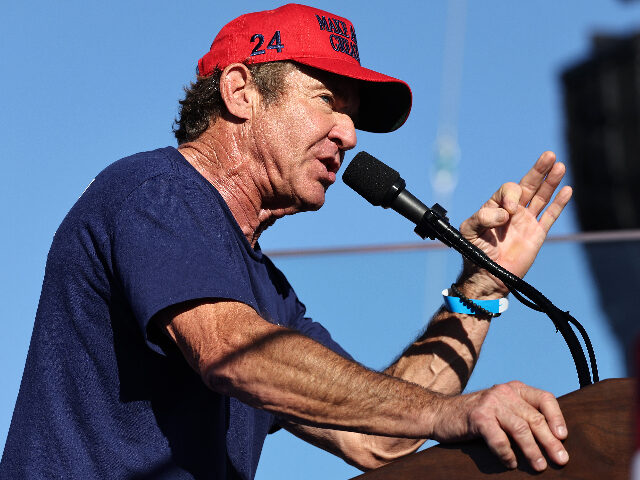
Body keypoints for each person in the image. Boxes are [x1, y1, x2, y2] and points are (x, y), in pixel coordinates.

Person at [0, 4, 573, 479]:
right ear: (241, 92)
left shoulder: (266, 294)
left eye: (352, 116)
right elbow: (232, 353)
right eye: (329, 100)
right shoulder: (155, 191)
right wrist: (454, 412)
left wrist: (483, 282)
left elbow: (377, 442)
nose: (348, 134)